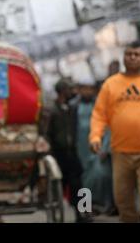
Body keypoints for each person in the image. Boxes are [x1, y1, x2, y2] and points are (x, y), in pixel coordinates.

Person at [89, 41, 140, 222]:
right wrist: (96, 136)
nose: (132, 57)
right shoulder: (110, 85)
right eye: (129, 54)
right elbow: (99, 114)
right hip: (121, 152)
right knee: (122, 197)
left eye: (137, 54)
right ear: (124, 57)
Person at [46, 78, 93, 223]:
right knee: (61, 184)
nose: (73, 92)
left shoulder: (72, 109)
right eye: (69, 90)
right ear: (62, 92)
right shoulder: (51, 111)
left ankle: (83, 213)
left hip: (72, 152)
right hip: (58, 154)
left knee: (78, 184)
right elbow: (47, 133)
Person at [75, 79, 114, 215]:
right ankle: (84, 208)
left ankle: (106, 205)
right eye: (84, 89)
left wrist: (105, 147)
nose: (87, 92)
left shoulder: (101, 106)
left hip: (98, 148)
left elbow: (109, 128)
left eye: (90, 89)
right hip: (80, 148)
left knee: (102, 176)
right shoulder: (74, 106)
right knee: (83, 179)